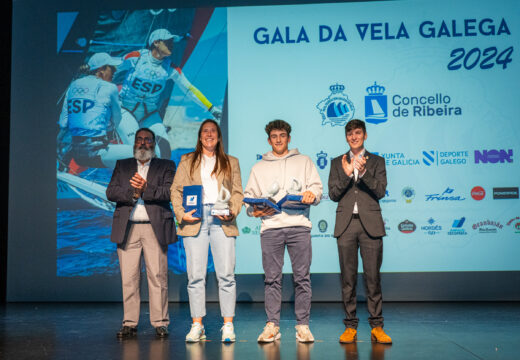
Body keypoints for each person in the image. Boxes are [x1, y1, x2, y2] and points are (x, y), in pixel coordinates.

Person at [244, 119, 323, 343]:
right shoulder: (258, 167)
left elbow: (316, 188)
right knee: (271, 279)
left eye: (282, 136)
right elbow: (249, 200)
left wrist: (312, 195)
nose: (278, 140)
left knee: (302, 278)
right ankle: (272, 326)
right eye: (274, 136)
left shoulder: (304, 161)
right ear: (269, 140)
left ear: (289, 138)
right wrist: (254, 211)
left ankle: (303, 326)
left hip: (299, 227)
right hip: (271, 228)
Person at [171, 119, 243, 343]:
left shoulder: (231, 162)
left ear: (219, 136)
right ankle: (197, 325)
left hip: (222, 220)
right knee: (195, 276)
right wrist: (182, 214)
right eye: (205, 131)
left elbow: (238, 193)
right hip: (195, 219)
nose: (209, 134)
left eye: (213, 131)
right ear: (200, 136)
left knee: (226, 275)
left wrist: (231, 212)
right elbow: (176, 190)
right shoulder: (187, 161)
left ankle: (228, 324)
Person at [106, 127, 177, 338]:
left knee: (158, 277)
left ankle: (160, 322)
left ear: (154, 144)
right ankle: (129, 322)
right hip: (128, 228)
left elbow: (170, 192)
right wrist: (133, 192)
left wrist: (145, 189)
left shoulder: (166, 165)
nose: (143, 143)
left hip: (155, 227)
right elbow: (111, 192)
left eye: (147, 140)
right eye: (139, 139)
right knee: (129, 278)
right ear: (134, 143)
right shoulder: (123, 165)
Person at [328, 119, 392, 344]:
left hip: (370, 225)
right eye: (350, 134)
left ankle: (377, 326)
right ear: (346, 137)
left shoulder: (377, 161)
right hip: (346, 225)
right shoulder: (338, 162)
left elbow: (381, 190)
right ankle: (350, 326)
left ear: (365, 135)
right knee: (348, 279)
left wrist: (363, 173)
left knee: (373, 279)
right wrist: (347, 175)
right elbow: (334, 194)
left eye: (358, 133)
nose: (354, 137)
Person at [114, 28, 222, 159]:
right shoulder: (136, 58)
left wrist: (211, 108)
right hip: (125, 110)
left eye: (172, 42)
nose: (172, 44)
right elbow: (111, 66)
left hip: (149, 114)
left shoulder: (170, 68)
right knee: (136, 149)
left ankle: (159, 178)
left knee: (164, 150)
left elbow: (190, 89)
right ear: (156, 42)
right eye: (168, 41)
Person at [58, 52, 133, 169]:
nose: (114, 72)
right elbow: (117, 120)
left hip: (77, 155)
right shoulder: (110, 88)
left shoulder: (73, 85)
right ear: (101, 69)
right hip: (97, 153)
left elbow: (63, 122)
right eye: (112, 68)